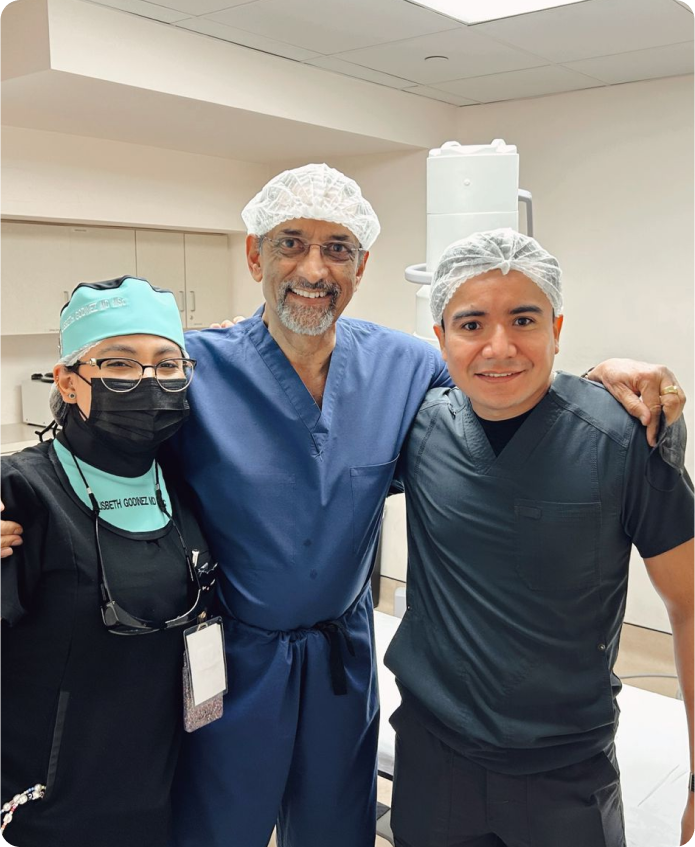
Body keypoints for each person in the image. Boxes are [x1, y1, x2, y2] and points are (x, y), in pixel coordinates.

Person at [0, 166, 686, 847]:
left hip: (341, 660)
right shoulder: (194, 368)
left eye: (337, 249)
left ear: (361, 266)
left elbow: (503, 378)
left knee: (337, 830)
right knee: (218, 827)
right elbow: (97, 444)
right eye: (290, 243)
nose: (313, 268)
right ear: (254, 255)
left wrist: (602, 378)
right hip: (231, 658)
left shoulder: (405, 365)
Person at [385, 229, 695, 847]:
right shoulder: (417, 428)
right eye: (471, 324)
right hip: (432, 758)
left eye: (523, 320)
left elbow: (690, 607)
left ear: (556, 328)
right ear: (440, 337)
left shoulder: (625, 438)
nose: (499, 346)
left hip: (565, 775)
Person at [0, 277, 217, 847]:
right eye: (119, 364)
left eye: (167, 365)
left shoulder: (183, 481)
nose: (148, 382)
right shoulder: (21, 494)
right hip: (51, 802)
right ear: (68, 381)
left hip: (159, 787)